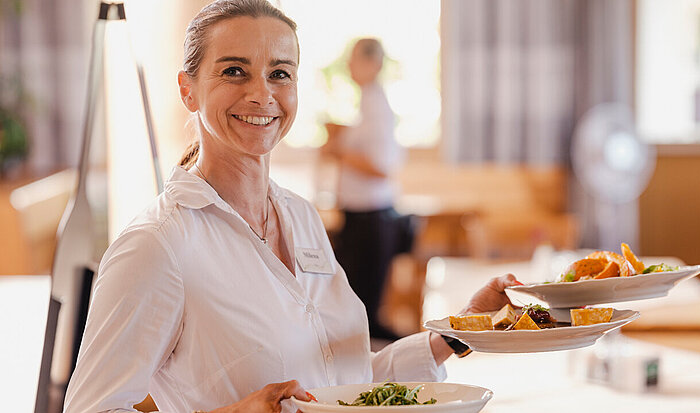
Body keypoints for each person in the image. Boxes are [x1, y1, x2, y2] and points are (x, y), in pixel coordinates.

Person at [63, 1, 520, 412]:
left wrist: (459, 331)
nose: (262, 93)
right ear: (189, 90)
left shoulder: (301, 217)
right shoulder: (157, 245)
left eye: (280, 73)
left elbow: (344, 385)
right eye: (234, 71)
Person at [321, 38, 405, 341]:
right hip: (359, 213)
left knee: (362, 305)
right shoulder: (366, 101)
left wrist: (337, 149)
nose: (348, 65)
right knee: (354, 300)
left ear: (374, 64)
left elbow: (381, 167)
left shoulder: (377, 104)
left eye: (354, 59)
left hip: (371, 214)